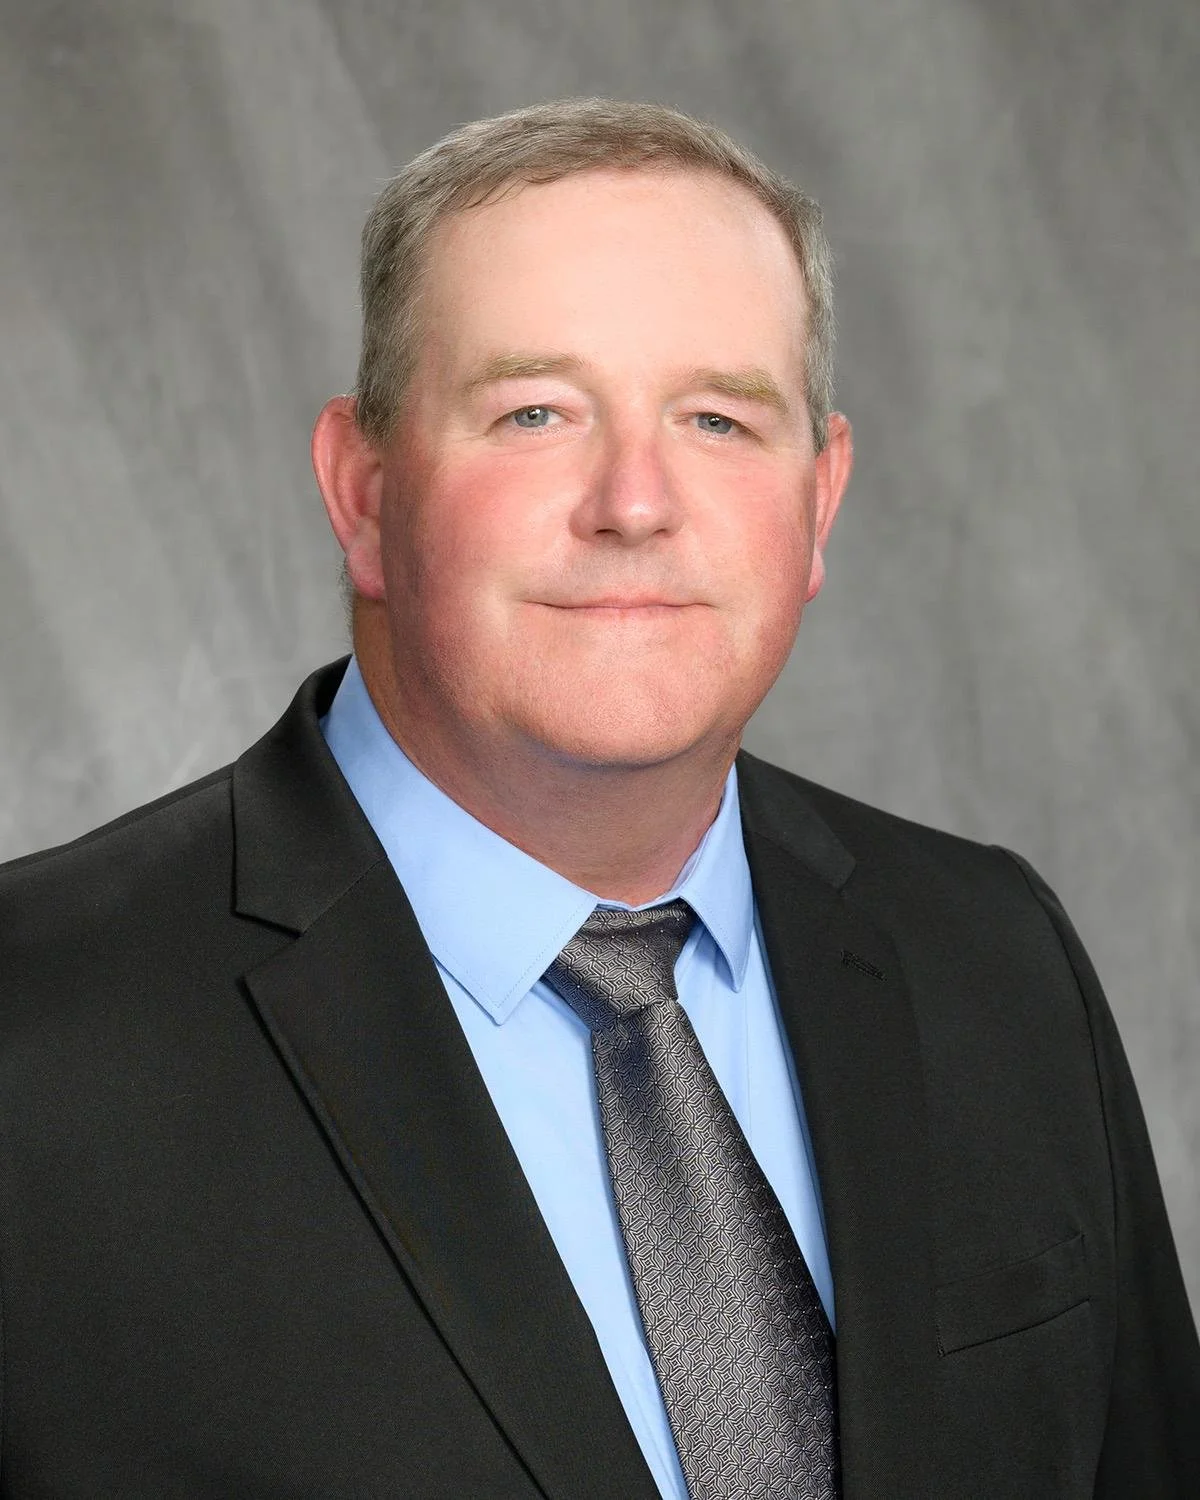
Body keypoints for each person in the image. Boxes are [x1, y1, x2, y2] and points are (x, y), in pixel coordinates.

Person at [0, 97, 1195, 1499]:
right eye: (534, 411)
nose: (635, 501)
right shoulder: (38, 1038)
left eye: (716, 417)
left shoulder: (997, 960)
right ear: (365, 492)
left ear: (817, 505)